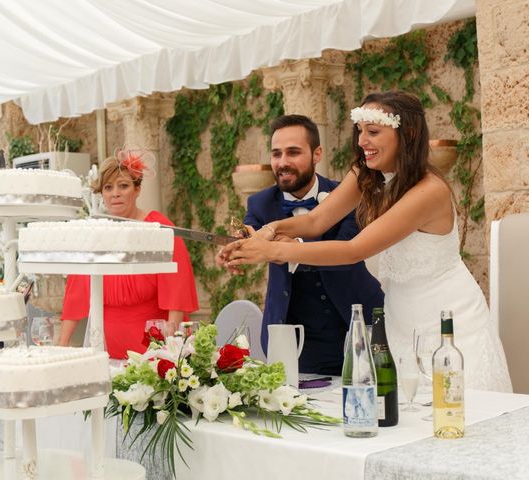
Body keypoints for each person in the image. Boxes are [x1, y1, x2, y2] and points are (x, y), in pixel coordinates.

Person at [223, 92, 512, 392]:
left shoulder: (430, 191)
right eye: (360, 131)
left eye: (373, 132)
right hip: (400, 321)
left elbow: (353, 250)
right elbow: (315, 221)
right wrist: (268, 230)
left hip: (446, 323)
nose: (362, 141)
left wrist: (271, 250)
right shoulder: (367, 174)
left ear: (408, 133)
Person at [218, 114, 384, 375]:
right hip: (293, 334)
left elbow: (345, 252)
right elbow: (251, 238)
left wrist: (288, 244)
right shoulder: (260, 204)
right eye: (276, 154)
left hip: (355, 323)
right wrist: (233, 250)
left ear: (317, 154)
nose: (283, 162)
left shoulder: (347, 194)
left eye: (293, 152)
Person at [58, 148, 199, 359]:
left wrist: (171, 351)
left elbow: (176, 295)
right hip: (104, 351)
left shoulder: (159, 228)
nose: (115, 193)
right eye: (108, 187)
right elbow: (75, 295)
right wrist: (60, 348)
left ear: (137, 189)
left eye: (123, 186)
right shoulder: (95, 233)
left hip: (152, 353)